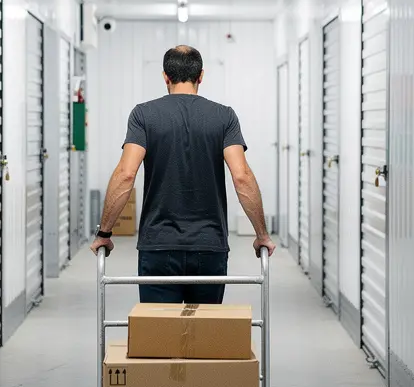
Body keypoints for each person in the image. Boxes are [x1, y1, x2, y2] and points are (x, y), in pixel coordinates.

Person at [89, 45, 275, 304]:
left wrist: (104, 234)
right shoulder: (224, 117)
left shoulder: (143, 115)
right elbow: (241, 176)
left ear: (165, 76)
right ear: (201, 76)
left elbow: (125, 174)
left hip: (158, 246)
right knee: (204, 336)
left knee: (160, 337)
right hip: (210, 246)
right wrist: (262, 235)